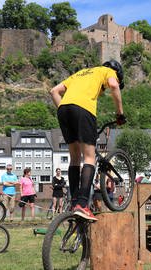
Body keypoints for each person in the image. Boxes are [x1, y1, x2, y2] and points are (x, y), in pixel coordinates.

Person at [50, 59, 126, 221]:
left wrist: (68, 111)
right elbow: (113, 85)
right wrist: (120, 113)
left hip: (63, 109)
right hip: (84, 109)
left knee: (75, 157)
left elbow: (53, 91)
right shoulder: (107, 71)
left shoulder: (80, 73)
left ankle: (74, 202)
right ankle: (83, 204)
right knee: (89, 157)